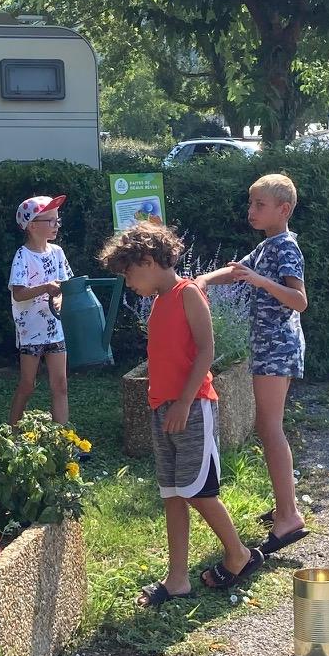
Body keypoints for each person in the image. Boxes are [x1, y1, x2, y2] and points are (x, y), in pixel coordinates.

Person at [96, 220, 262, 607]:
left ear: (150, 260)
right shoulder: (158, 301)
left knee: (198, 491)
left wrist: (185, 402)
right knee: (172, 493)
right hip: (163, 408)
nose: (128, 281)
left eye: (130, 272)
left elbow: (206, 351)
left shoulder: (188, 294)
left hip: (193, 407)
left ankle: (238, 553)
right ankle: (177, 579)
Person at [196, 172, 308, 553]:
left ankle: (289, 516)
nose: (251, 211)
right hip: (269, 346)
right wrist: (201, 281)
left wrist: (262, 283)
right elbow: (237, 272)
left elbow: (299, 300)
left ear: (284, 209)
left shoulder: (286, 248)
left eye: (259, 205)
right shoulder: (267, 246)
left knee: (269, 427)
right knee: (268, 426)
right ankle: (284, 506)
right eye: (251, 204)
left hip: (278, 346)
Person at [9, 194, 72, 426]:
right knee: (28, 385)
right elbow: (19, 293)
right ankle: (11, 433)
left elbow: (62, 287)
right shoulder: (22, 256)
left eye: (57, 220)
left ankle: (62, 440)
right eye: (51, 221)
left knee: (61, 385)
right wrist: (46, 288)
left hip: (54, 328)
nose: (56, 225)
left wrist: (59, 300)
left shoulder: (58, 252)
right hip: (30, 331)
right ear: (32, 226)